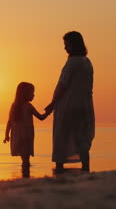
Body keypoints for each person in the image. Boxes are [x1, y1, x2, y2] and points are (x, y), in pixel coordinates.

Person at [45, 31, 95, 172]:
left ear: (73, 45)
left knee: (62, 135)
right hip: (85, 104)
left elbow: (63, 84)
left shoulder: (72, 62)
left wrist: (52, 103)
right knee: (81, 137)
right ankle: (86, 168)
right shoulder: (87, 62)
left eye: (66, 45)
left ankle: (59, 168)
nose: (65, 48)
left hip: (69, 104)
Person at [4, 82, 50, 168]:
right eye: (32, 93)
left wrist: (6, 135)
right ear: (25, 94)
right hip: (26, 135)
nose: (33, 95)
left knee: (24, 158)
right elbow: (41, 117)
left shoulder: (14, 106)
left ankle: (25, 174)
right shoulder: (28, 106)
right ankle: (26, 174)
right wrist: (48, 112)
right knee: (26, 158)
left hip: (17, 135)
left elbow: (9, 122)